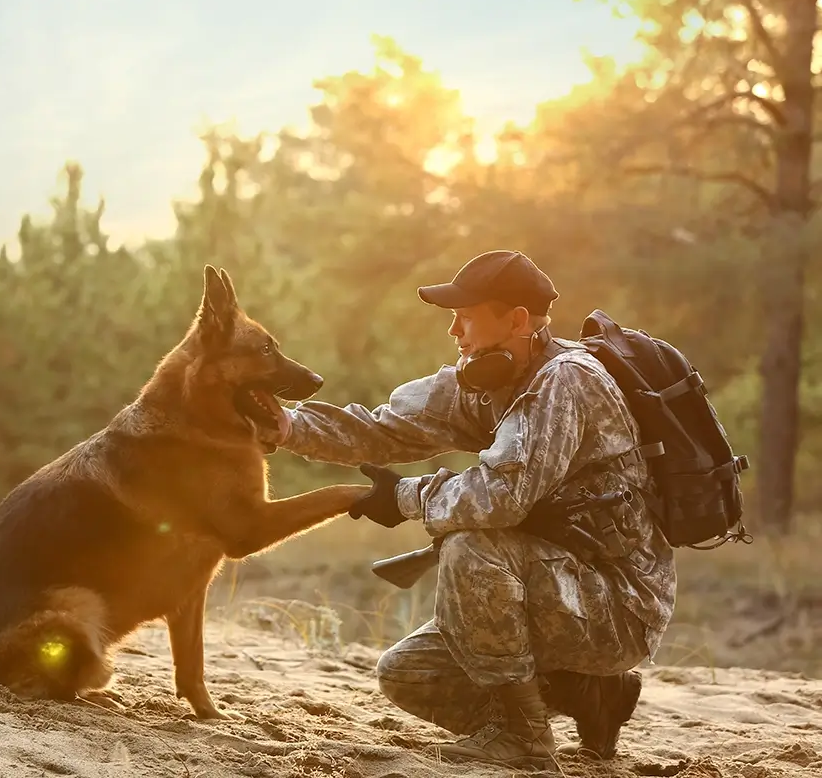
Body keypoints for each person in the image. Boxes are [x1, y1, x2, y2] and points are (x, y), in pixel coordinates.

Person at [259, 250, 676, 769]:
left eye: (467, 316)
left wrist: (406, 497)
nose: (454, 330)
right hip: (553, 587)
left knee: (472, 547)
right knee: (408, 674)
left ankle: (525, 738)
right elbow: (383, 428)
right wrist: (289, 426)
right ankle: (593, 696)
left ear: (517, 320)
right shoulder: (487, 379)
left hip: (618, 602)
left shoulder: (568, 381)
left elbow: (500, 498)